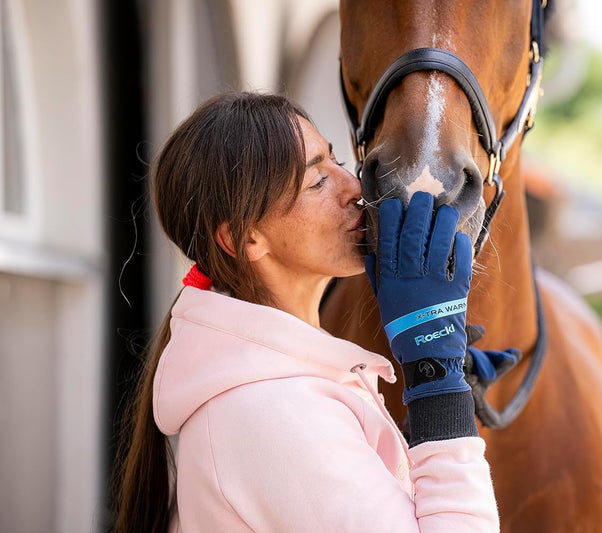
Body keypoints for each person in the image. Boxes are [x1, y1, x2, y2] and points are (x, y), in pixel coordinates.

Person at [113, 92, 501, 532]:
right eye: (317, 182)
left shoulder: (272, 394)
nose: (354, 188)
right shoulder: (272, 414)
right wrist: (438, 386)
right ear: (245, 238)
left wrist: (435, 415)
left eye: (335, 161)